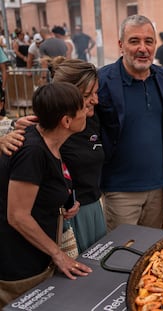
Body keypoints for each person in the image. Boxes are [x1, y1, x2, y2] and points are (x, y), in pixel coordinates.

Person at [0, 82, 92, 307]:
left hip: (37, 257)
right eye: (82, 107)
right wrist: (58, 254)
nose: (89, 110)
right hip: (21, 267)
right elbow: (18, 216)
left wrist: (65, 202)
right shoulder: (32, 152)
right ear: (66, 121)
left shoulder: (44, 136)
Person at [17, 58, 107, 253]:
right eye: (87, 95)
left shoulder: (93, 118)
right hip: (65, 218)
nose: (95, 100)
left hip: (93, 208)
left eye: (96, 92)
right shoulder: (42, 132)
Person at [97, 15, 163, 231]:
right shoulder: (102, 81)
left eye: (148, 41)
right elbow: (72, 114)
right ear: (121, 45)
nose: (143, 48)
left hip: (158, 189)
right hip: (119, 190)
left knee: (150, 253)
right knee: (121, 255)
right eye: (134, 41)